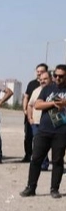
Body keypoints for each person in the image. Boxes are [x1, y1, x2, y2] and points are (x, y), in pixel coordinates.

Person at [20, 64, 66, 198]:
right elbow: (38, 104)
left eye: (61, 76)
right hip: (44, 129)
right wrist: (53, 103)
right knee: (36, 159)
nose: (58, 78)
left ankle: (54, 189)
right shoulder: (47, 89)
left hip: (61, 131)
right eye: (56, 75)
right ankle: (31, 187)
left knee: (57, 160)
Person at [21, 63, 49, 162]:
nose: (39, 74)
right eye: (38, 72)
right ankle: (28, 155)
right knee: (30, 138)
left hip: (48, 120)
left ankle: (45, 161)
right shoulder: (33, 85)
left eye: (42, 72)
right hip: (33, 118)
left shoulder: (52, 87)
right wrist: (26, 112)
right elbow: (27, 99)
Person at [26, 71, 52, 171]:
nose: (42, 81)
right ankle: (43, 164)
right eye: (41, 80)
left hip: (52, 123)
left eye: (45, 79)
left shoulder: (56, 91)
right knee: (39, 144)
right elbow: (30, 105)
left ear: (51, 79)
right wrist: (30, 118)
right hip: (36, 122)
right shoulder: (36, 91)